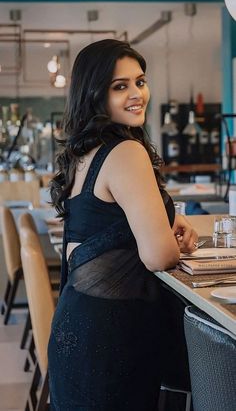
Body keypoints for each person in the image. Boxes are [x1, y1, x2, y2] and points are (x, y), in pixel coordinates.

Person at [48, 39, 198, 410]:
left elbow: (102, 222)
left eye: (140, 81)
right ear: (95, 94)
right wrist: (163, 235)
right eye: (120, 86)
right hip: (110, 337)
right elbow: (159, 257)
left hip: (75, 330)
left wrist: (163, 217)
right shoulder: (126, 151)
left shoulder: (84, 153)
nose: (137, 94)